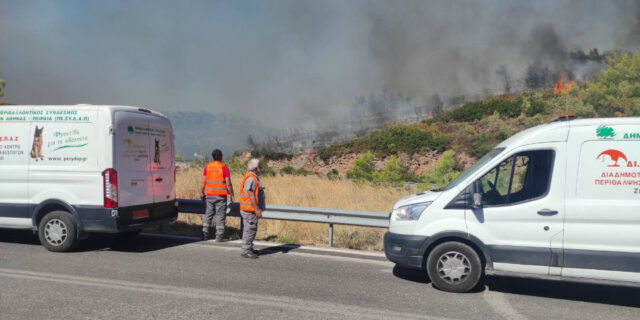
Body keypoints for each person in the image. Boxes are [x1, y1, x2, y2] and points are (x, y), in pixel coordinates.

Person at [200, 149, 234, 242]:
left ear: (213, 157)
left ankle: (204, 234)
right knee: (220, 215)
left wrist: (202, 192)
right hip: (221, 196)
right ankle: (219, 237)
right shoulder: (224, 167)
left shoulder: (207, 167)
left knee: (208, 214)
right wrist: (231, 194)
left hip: (210, 194)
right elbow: (228, 183)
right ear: (221, 157)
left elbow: (204, 182)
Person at [238, 158, 264, 259]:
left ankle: (248, 247)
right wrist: (257, 209)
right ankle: (246, 250)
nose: (261, 168)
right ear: (255, 168)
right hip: (249, 209)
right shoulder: (251, 178)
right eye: (259, 167)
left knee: (249, 229)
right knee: (250, 230)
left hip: (248, 208)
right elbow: (251, 195)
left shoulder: (251, 176)